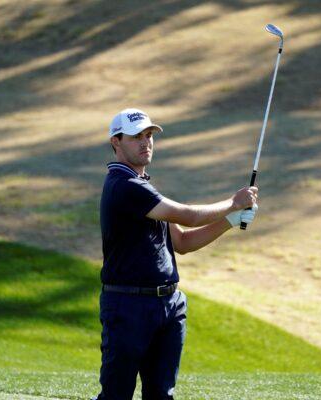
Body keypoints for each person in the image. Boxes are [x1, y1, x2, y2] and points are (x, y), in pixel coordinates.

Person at [94, 108, 258, 400]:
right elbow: (188, 216)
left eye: (149, 136)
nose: (146, 143)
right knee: (117, 395)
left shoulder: (145, 187)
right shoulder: (124, 186)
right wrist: (233, 203)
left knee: (161, 395)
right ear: (116, 143)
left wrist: (230, 221)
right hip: (128, 305)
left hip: (168, 306)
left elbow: (182, 242)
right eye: (136, 137)